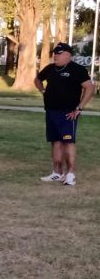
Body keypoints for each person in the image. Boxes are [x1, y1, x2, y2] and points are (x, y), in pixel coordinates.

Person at [34, 42, 95, 186]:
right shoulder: (50, 68)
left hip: (68, 113)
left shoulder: (77, 70)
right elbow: (37, 80)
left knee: (68, 142)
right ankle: (57, 172)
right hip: (51, 111)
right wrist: (43, 91)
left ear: (68, 55)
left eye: (59, 53)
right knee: (55, 142)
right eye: (55, 53)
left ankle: (70, 174)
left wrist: (79, 108)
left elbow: (89, 88)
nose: (55, 56)